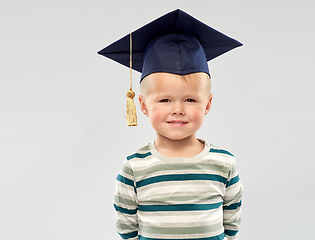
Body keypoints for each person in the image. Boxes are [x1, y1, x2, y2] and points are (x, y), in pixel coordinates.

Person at [98, 9, 244, 240]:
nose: (178, 109)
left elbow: (232, 218)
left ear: (207, 105)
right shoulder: (134, 167)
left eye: (190, 99)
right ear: (144, 106)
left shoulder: (224, 162)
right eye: (165, 100)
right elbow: (126, 224)